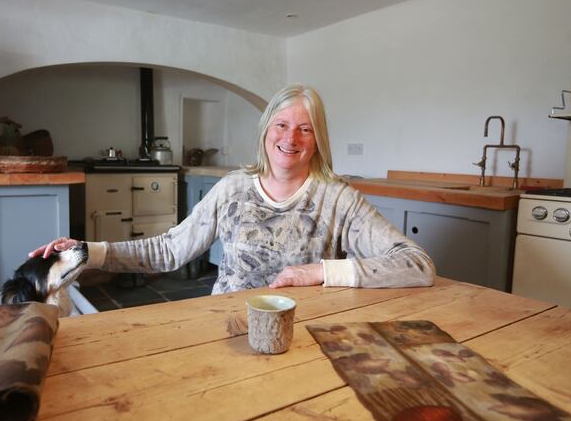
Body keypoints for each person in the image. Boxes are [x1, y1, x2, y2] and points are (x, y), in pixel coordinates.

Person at [30, 84, 435, 294]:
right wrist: (87, 253)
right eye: (281, 124)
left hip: (305, 338)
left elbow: (417, 264)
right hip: (227, 328)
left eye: (305, 129)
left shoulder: (338, 199)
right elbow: (170, 250)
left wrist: (319, 272)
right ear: (265, 131)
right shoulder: (233, 189)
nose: (290, 138)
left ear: (318, 140)